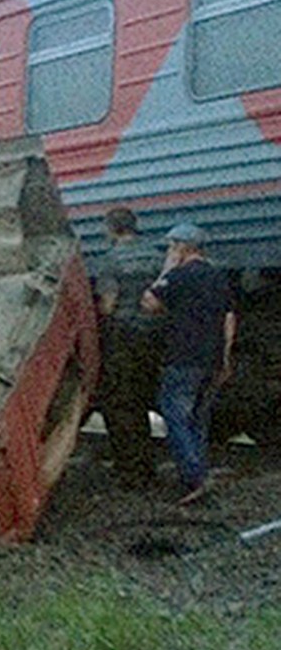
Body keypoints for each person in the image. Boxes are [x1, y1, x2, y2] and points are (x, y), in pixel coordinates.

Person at [140, 221, 236, 504]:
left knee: (175, 415)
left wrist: (166, 270)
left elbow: (149, 303)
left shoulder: (179, 276)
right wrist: (226, 357)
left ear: (182, 247)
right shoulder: (218, 276)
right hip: (212, 358)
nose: (169, 251)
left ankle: (194, 478)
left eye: (171, 246)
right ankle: (197, 472)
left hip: (183, 357)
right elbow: (230, 318)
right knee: (198, 420)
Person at [94, 208, 163, 488]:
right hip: (154, 336)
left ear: (111, 228)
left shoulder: (111, 261)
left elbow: (108, 305)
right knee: (146, 398)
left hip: (124, 339)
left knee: (122, 405)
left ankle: (131, 471)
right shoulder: (156, 256)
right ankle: (149, 464)